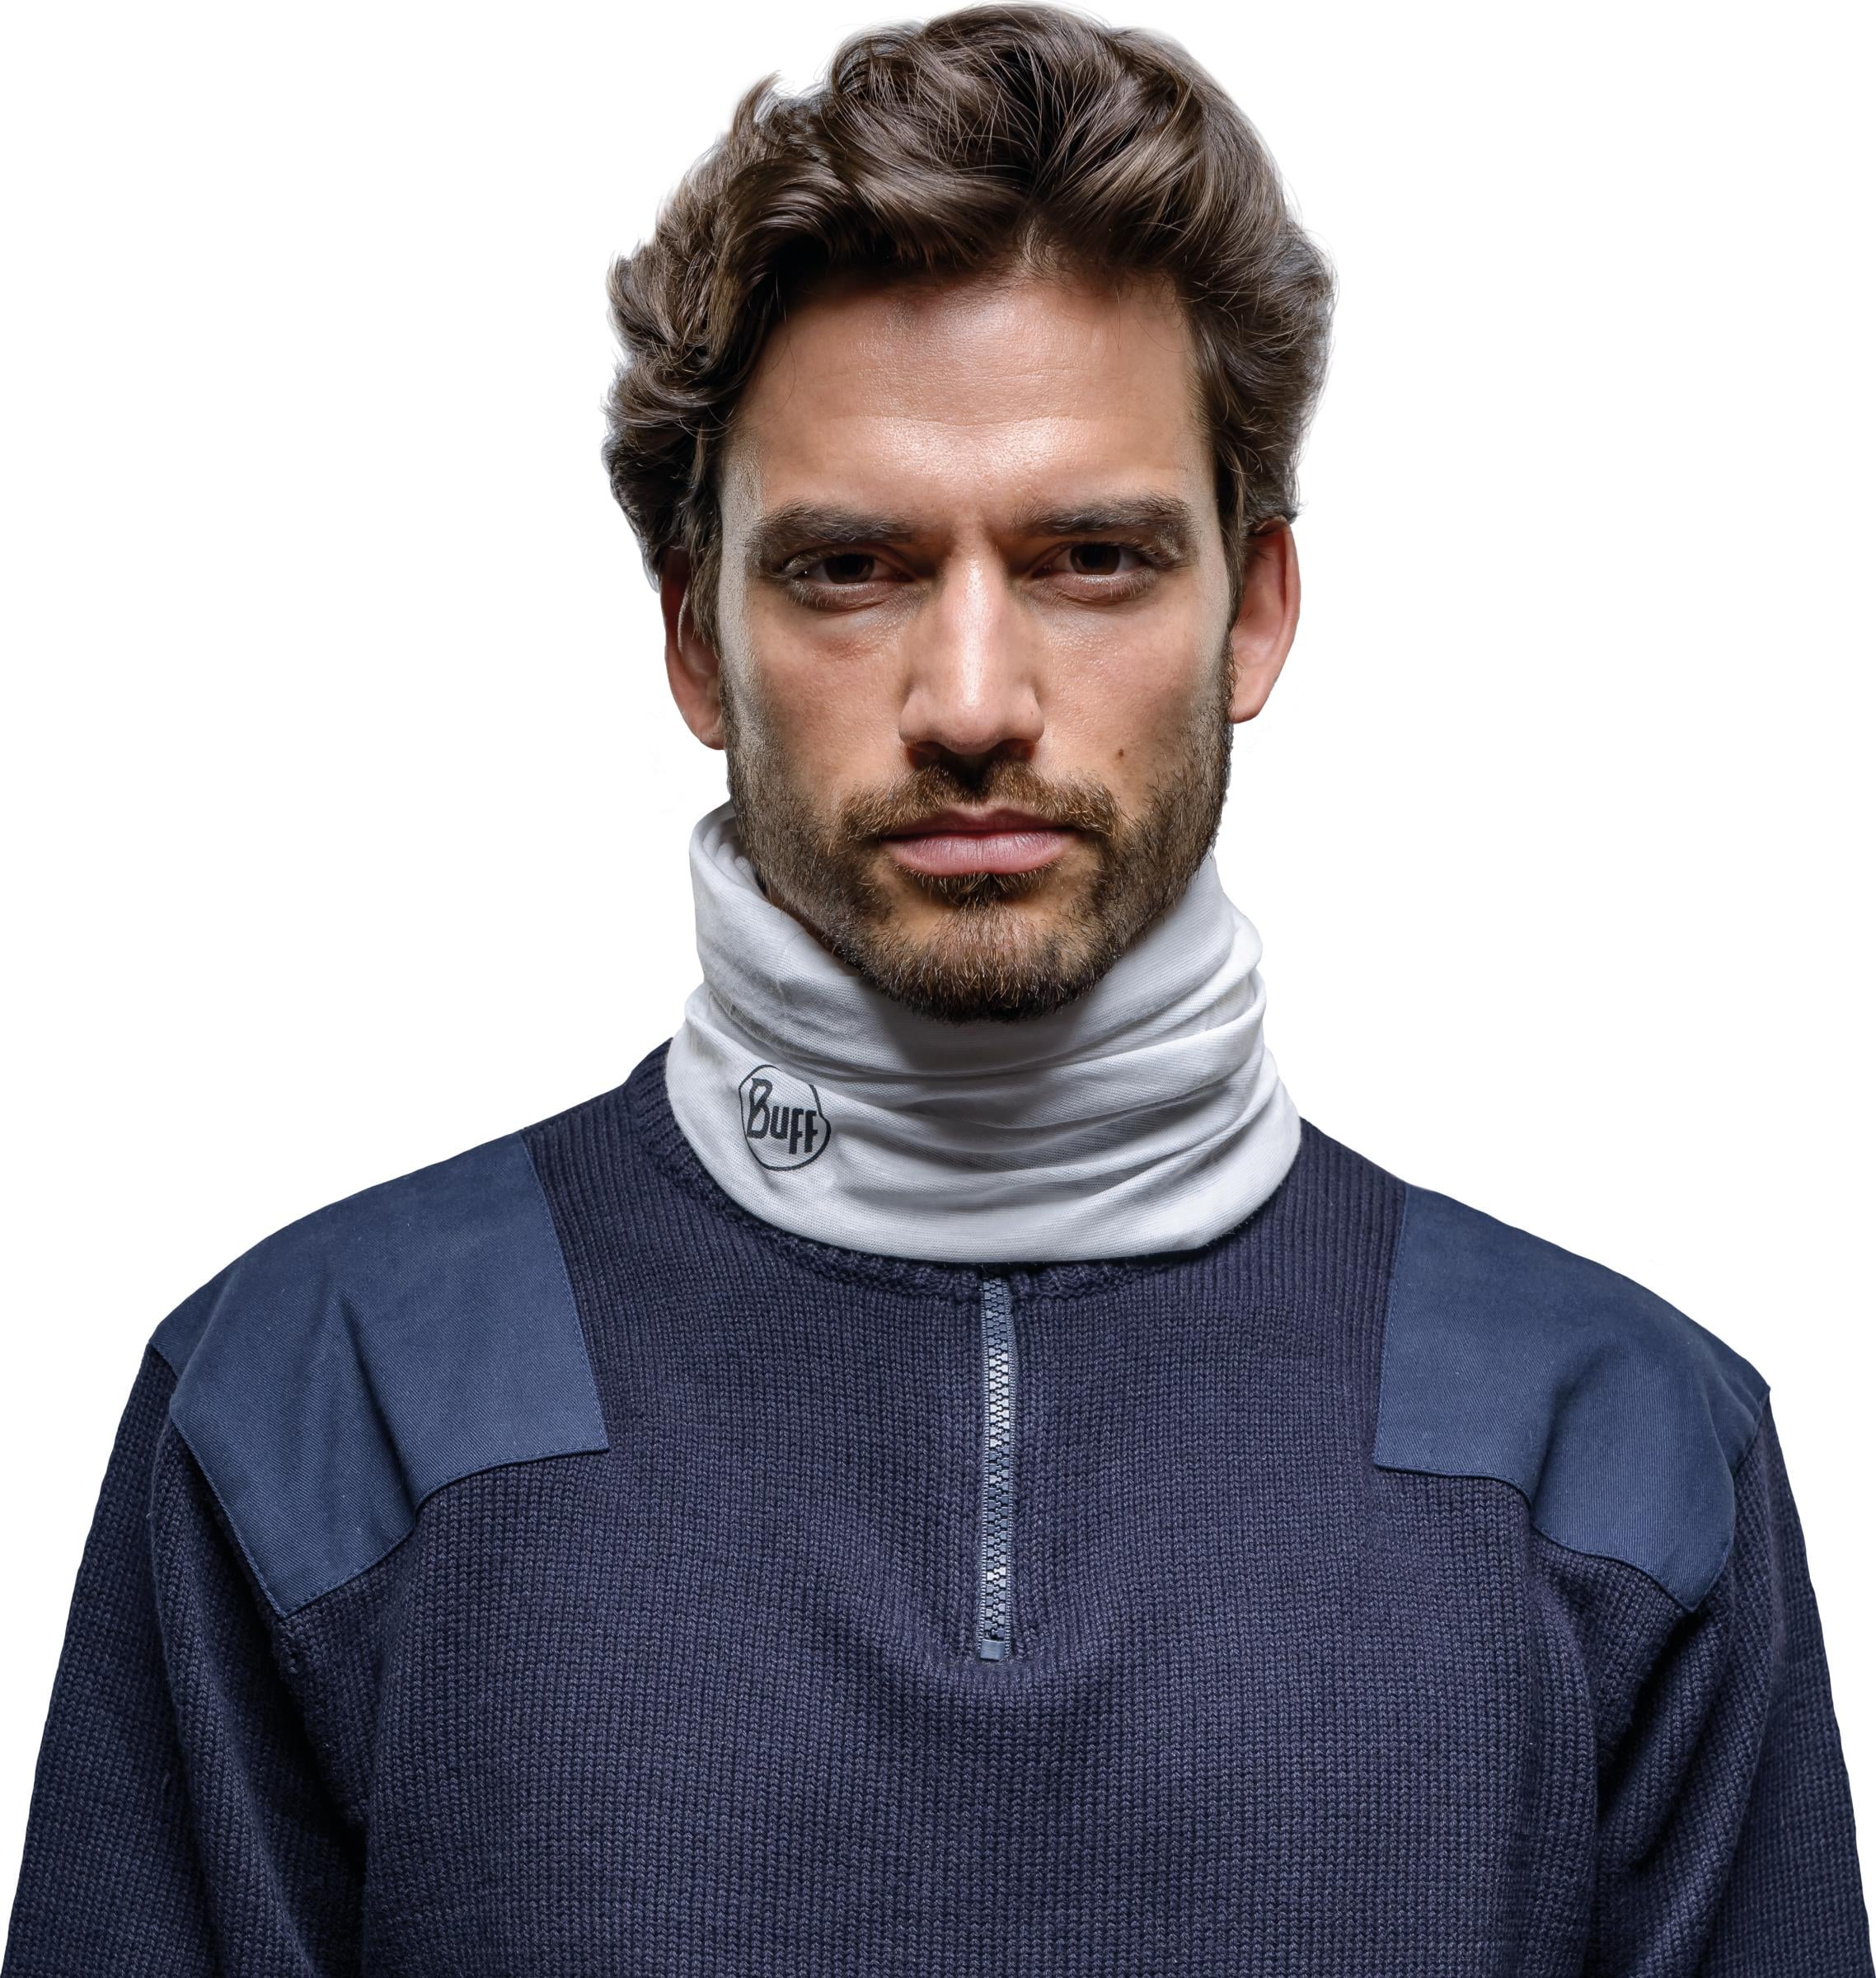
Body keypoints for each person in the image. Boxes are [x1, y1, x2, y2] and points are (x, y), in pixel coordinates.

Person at [3, 6, 1870, 1972]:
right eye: (852, 568)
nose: (972, 702)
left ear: (1253, 612)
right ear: (695, 640)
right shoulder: (320, 1402)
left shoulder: (1618, 1448)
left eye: (1092, 556)